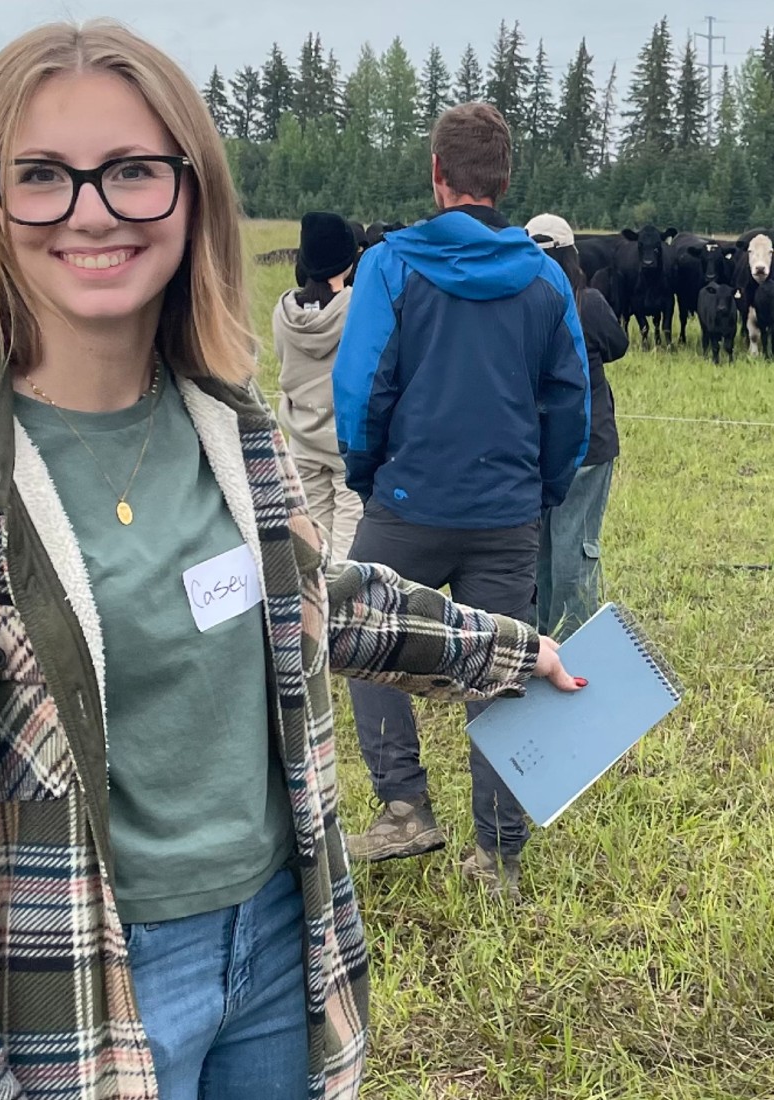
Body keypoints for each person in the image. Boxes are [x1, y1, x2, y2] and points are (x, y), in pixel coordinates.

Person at [0, 23, 579, 1100]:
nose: (92, 209)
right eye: (42, 177)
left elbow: (306, 598)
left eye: (132, 172)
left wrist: (504, 651)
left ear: (191, 192)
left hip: (276, 949)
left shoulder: (227, 419)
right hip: (75, 984)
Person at [333, 102, 591, 901]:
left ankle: (404, 805)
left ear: (437, 176)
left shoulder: (389, 266)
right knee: (504, 672)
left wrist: (367, 470)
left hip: (407, 501)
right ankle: (498, 858)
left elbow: (361, 384)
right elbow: (570, 401)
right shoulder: (547, 278)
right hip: (506, 512)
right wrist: (540, 490)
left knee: (370, 637)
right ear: (504, 181)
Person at [526, 212, 628, 638]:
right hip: (589, 443)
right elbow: (618, 345)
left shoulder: (519, 303)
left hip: (533, 445)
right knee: (574, 550)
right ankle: (574, 644)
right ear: (572, 254)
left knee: (538, 548)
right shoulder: (588, 302)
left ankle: (538, 640)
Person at [274, 211, 364, 560]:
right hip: (347, 442)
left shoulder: (283, 312)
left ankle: (316, 607)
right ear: (346, 260)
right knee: (348, 548)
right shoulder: (357, 308)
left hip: (302, 440)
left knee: (313, 544)